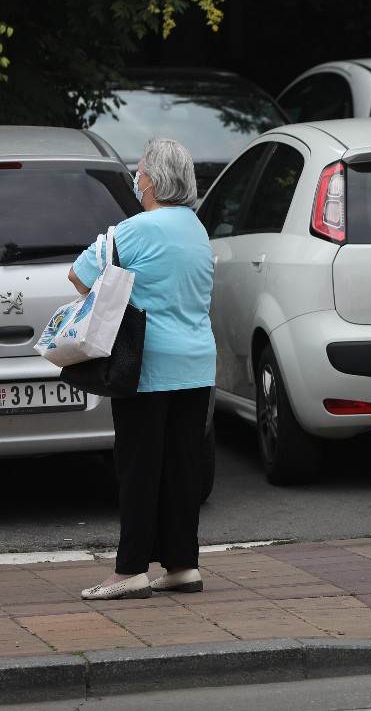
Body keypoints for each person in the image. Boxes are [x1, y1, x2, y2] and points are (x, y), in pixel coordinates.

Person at [74, 138, 216, 599]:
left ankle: (130, 569)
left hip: (147, 365)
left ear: (150, 180)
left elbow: (80, 273)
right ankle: (182, 565)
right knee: (182, 467)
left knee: (138, 467)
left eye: (139, 172)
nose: (137, 179)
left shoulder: (138, 228)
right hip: (196, 363)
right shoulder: (196, 227)